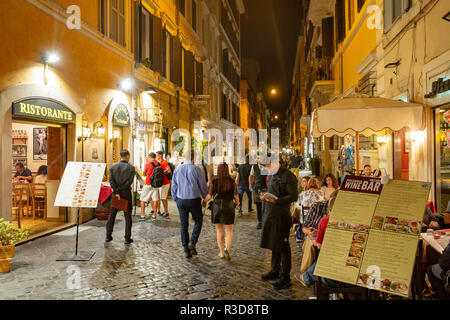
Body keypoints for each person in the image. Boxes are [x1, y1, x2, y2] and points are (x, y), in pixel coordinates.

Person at [260, 156, 298, 290]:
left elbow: (293, 196)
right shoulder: (271, 174)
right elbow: (271, 189)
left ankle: (285, 277)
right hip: (270, 214)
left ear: (276, 163)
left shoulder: (289, 176)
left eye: (269, 166)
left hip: (281, 216)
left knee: (283, 246)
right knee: (273, 244)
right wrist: (265, 194)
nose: (268, 169)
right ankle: (274, 270)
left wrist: (277, 200)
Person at [171, 151, 208, 258]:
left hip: (181, 200)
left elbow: (174, 185)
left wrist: (175, 199)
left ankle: (186, 249)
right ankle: (192, 241)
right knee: (198, 220)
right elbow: (202, 186)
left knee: (184, 224)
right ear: (194, 158)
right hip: (194, 199)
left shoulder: (178, 169)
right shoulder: (197, 169)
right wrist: (205, 197)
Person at [203, 163, 240, 260]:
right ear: (227, 170)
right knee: (229, 230)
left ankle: (221, 253)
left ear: (218, 170)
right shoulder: (232, 182)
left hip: (217, 207)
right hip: (229, 206)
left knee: (219, 230)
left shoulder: (214, 181)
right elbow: (236, 196)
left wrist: (204, 202)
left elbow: (209, 195)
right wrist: (238, 205)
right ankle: (227, 248)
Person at [106, 150, 136, 244]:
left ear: (120, 156)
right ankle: (127, 237)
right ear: (127, 156)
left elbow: (111, 181)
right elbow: (129, 182)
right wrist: (122, 190)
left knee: (112, 214)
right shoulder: (131, 168)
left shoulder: (113, 167)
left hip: (116, 194)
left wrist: (116, 191)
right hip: (126, 193)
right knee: (127, 215)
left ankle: (108, 235)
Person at [139, 152, 161, 221]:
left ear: (150, 157)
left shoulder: (147, 164)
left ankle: (142, 214)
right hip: (156, 184)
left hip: (148, 183)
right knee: (155, 199)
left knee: (142, 199)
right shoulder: (158, 164)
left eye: (148, 157)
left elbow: (144, 174)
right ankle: (154, 214)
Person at [249, 155, 267, 229]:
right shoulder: (254, 167)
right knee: (258, 206)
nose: (260, 159)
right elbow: (251, 175)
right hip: (256, 188)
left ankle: (265, 221)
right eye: (258, 158)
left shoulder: (267, 166)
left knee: (265, 206)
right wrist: (250, 185)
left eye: (261, 158)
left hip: (265, 189)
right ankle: (260, 222)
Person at [156, 151, 171, 218]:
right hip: (162, 183)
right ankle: (165, 211)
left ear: (160, 156)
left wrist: (162, 174)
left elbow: (169, 170)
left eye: (157, 155)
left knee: (163, 198)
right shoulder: (160, 162)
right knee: (162, 198)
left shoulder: (164, 162)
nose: (156, 156)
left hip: (165, 183)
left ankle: (166, 212)